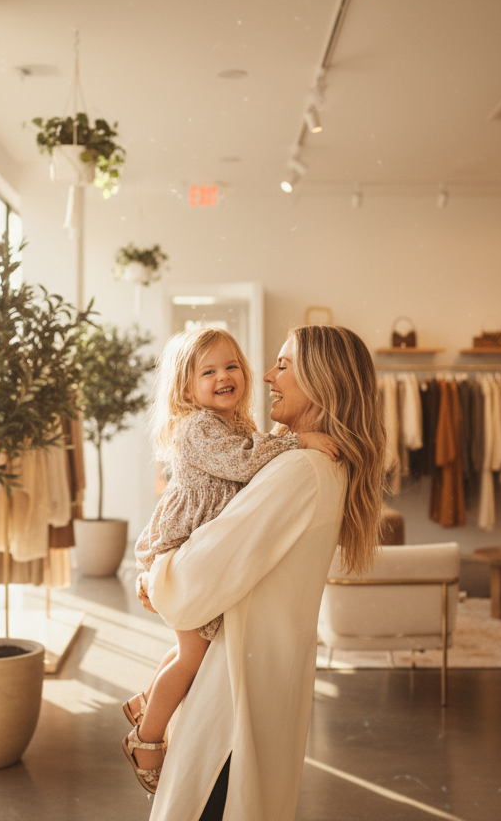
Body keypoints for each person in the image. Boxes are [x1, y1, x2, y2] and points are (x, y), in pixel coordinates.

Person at [143, 324, 386, 820]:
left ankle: (143, 730)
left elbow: (190, 589)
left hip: (234, 689)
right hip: (254, 673)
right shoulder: (309, 459)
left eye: (284, 364)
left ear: (321, 380)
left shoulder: (301, 468)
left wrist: (156, 577)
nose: (268, 375)